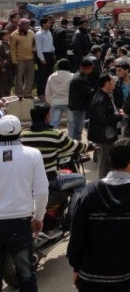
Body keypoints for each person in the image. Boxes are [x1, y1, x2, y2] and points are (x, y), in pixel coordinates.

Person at [67, 137, 130, 291]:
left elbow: (77, 233)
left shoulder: (90, 191)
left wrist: (75, 267)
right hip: (125, 275)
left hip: (90, 275)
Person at [0, 114, 49, 292]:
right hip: (20, 224)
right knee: (26, 275)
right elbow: (42, 191)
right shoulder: (33, 154)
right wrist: (38, 217)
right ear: (20, 132)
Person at [20, 102, 89, 194]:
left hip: (29, 182)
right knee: (81, 179)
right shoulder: (56, 134)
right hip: (50, 181)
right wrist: (88, 146)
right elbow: (74, 146)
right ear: (47, 117)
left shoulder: (22, 135)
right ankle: (76, 208)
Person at [87, 73, 125, 179]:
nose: (115, 83)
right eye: (113, 81)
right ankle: (102, 186)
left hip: (109, 134)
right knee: (104, 164)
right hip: (103, 136)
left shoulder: (107, 95)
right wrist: (119, 116)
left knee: (109, 162)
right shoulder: (100, 99)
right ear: (107, 83)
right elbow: (103, 119)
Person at [67, 56, 97, 141]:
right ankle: (76, 149)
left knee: (75, 129)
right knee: (77, 130)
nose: (91, 70)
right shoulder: (80, 79)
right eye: (89, 68)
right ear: (83, 68)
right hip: (78, 107)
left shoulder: (80, 75)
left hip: (76, 106)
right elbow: (90, 93)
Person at [10, 18, 35, 99]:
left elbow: (34, 43)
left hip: (30, 58)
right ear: (21, 26)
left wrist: (34, 48)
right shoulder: (14, 35)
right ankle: (19, 94)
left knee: (30, 77)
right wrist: (14, 60)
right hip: (20, 59)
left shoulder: (31, 33)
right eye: (26, 25)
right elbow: (12, 49)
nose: (28, 26)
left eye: (29, 24)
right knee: (19, 78)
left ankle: (27, 93)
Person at [45, 58, 73, 128]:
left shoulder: (52, 76)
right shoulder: (72, 76)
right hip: (68, 102)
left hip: (56, 102)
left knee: (53, 123)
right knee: (71, 123)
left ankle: (52, 138)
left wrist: (51, 102)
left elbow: (48, 92)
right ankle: (72, 138)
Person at [34, 17, 56, 97]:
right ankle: (41, 92)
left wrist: (53, 54)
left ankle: (48, 91)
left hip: (50, 54)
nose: (50, 24)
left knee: (49, 74)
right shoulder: (39, 34)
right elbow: (38, 47)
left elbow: (50, 44)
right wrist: (42, 58)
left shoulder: (49, 32)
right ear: (44, 24)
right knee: (42, 75)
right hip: (43, 55)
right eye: (48, 23)